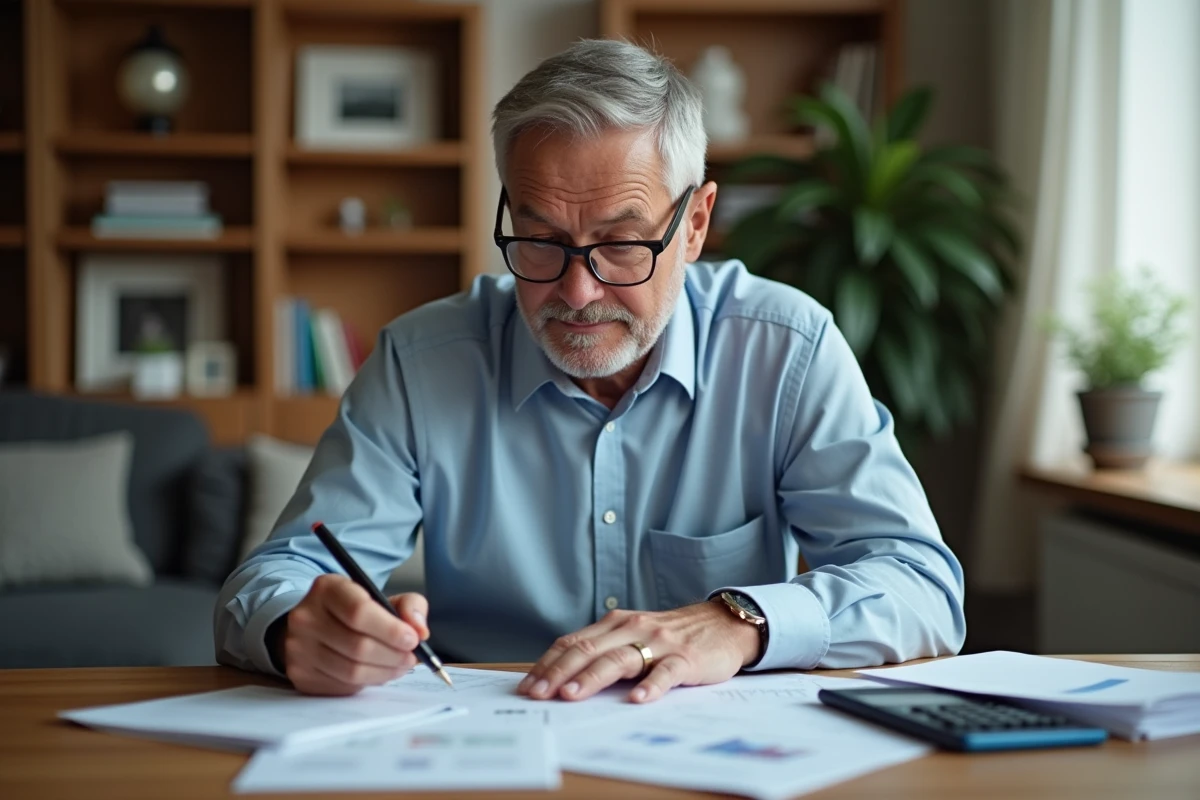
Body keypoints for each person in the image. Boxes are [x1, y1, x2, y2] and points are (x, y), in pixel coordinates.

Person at [215, 39, 965, 702]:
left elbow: (923, 588)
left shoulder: (786, 349)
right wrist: (296, 630)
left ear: (695, 224)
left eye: (621, 244)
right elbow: (268, 581)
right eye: (539, 240)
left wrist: (740, 622)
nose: (576, 292)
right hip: (489, 744)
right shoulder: (421, 362)